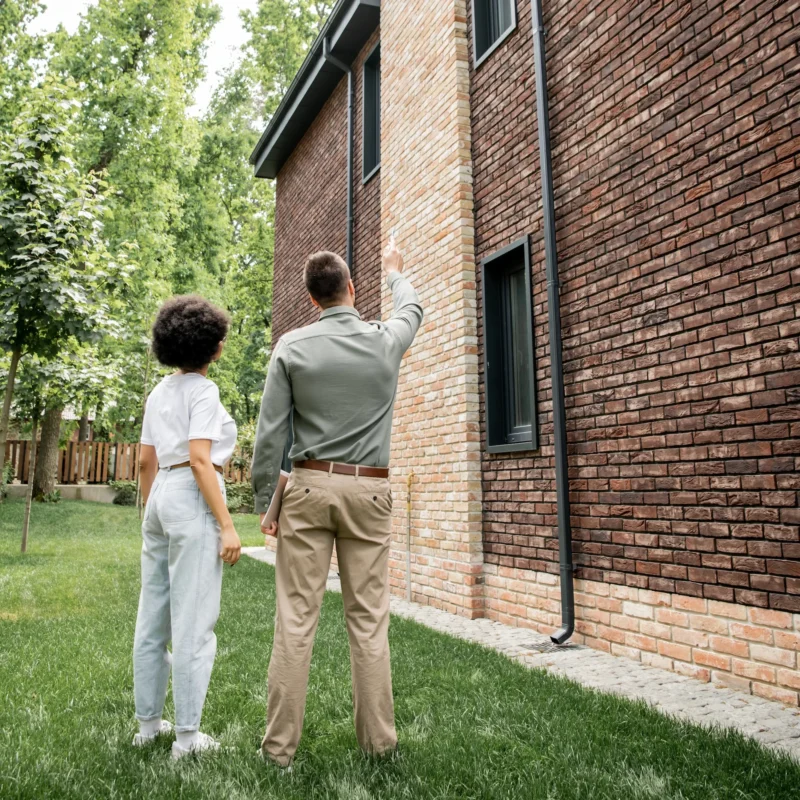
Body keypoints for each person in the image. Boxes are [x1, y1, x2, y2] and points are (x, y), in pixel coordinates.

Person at [251, 236, 423, 767]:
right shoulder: (384, 340)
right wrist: (394, 271)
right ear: (351, 289)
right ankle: (379, 747)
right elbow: (412, 309)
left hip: (307, 487)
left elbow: (269, 435)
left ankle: (278, 751)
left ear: (311, 300)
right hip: (370, 490)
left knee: (296, 620)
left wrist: (266, 501)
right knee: (369, 621)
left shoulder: (292, 346)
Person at [133, 295, 242, 759]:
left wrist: (150, 512)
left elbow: (143, 461)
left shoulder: (159, 392)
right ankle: (187, 738)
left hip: (159, 497)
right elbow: (201, 460)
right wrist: (227, 524)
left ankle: (147, 725)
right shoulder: (204, 392)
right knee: (194, 622)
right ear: (212, 347)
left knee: (152, 617)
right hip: (190, 495)